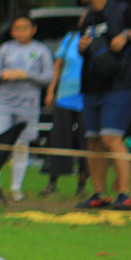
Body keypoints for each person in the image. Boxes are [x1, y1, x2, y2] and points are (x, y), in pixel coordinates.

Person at [75, 0, 131, 210]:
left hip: (120, 85)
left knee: (111, 137)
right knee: (93, 140)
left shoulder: (124, 11)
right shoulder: (88, 17)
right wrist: (82, 46)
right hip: (92, 86)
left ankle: (125, 194)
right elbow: (86, 51)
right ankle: (99, 194)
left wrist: (127, 35)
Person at [0, 13, 54, 202]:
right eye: (17, 28)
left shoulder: (41, 50)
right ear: (12, 30)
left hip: (28, 105)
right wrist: (5, 75)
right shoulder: (6, 49)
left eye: (25, 28)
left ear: (33, 29)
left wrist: (26, 75)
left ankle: (16, 187)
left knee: (21, 144)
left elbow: (47, 77)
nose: (21, 32)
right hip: (4, 103)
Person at [42, 19, 89, 196]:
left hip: (87, 100)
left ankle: (82, 185)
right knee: (59, 138)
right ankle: (52, 183)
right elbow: (58, 64)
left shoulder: (97, 39)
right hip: (64, 98)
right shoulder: (70, 38)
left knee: (85, 141)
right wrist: (51, 90)